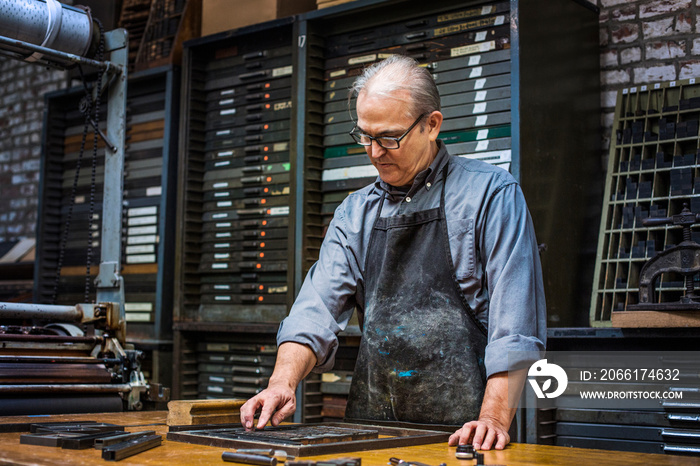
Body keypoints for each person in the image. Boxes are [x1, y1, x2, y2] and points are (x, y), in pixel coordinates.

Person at [240, 54, 546, 451]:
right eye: (365, 136)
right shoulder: (355, 213)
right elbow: (313, 311)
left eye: (389, 137)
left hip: (467, 437)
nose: (374, 151)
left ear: (432, 125)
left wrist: (491, 419)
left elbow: (515, 331)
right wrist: (281, 382)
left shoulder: (490, 196)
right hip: (371, 435)